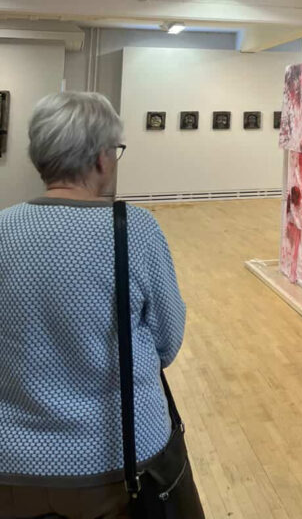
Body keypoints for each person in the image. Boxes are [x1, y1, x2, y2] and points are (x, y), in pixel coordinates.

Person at [0, 92, 205, 519]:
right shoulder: (136, 231)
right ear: (100, 158)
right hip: (120, 461)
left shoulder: (3, 229)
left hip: (12, 462)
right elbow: (167, 342)